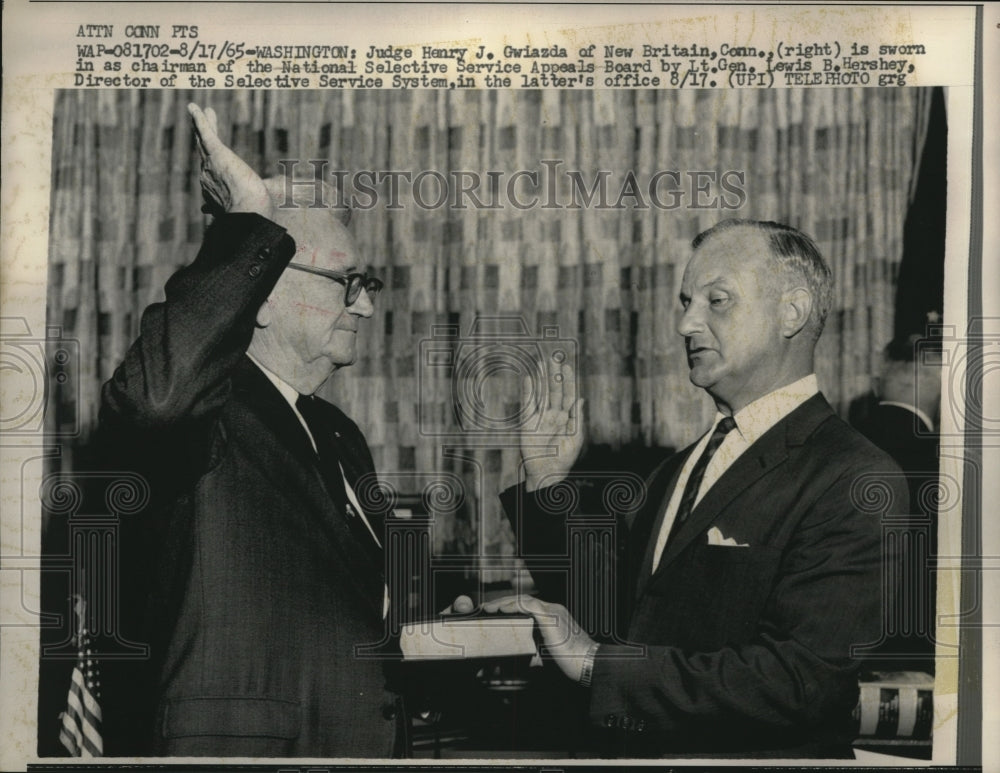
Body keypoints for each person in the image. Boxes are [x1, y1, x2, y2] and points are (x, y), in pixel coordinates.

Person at [484, 219, 909, 758]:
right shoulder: (676, 470)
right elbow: (615, 617)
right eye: (686, 301)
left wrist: (596, 665)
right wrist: (546, 481)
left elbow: (800, 681)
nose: (686, 323)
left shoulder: (854, 476)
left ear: (793, 312)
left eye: (718, 300)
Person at [98, 104, 399, 757]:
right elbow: (152, 399)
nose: (367, 304)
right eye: (347, 283)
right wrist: (246, 226)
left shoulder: (339, 434)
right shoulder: (204, 411)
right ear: (261, 296)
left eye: (366, 282)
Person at [854, 332, 943, 669]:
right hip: (917, 655)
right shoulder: (946, 461)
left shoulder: (833, 443)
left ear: (879, 386)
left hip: (833, 652)